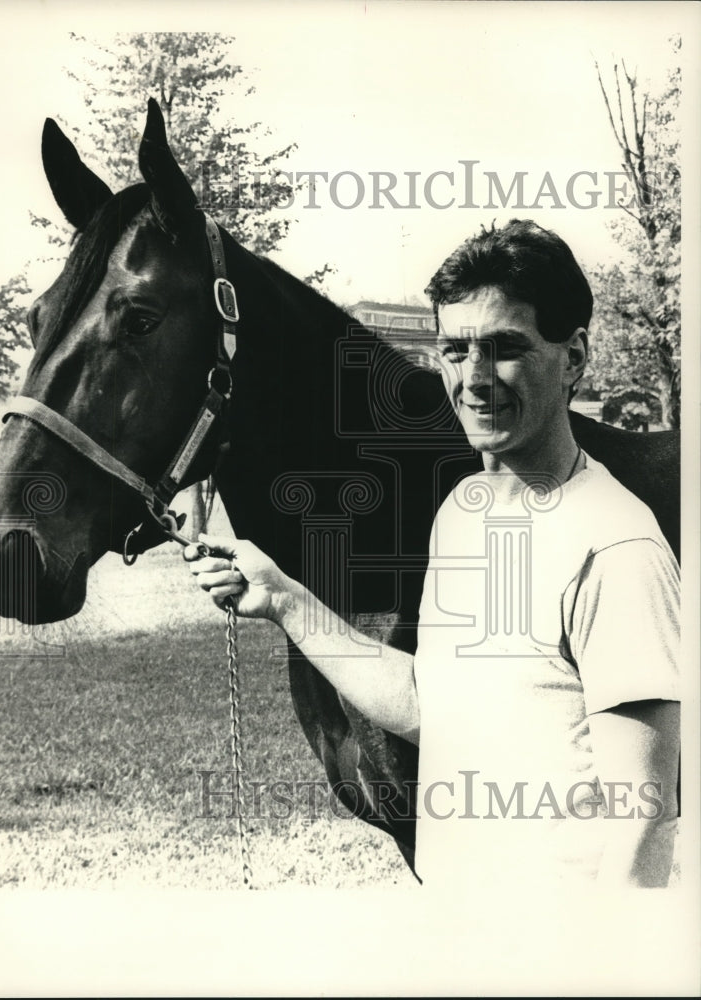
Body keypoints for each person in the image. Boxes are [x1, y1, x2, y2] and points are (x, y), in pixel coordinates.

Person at [185, 219, 680, 889]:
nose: (474, 378)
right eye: (455, 349)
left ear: (575, 357)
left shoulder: (617, 545)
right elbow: (431, 703)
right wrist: (282, 598)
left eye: (505, 346)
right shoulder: (461, 517)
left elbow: (641, 814)